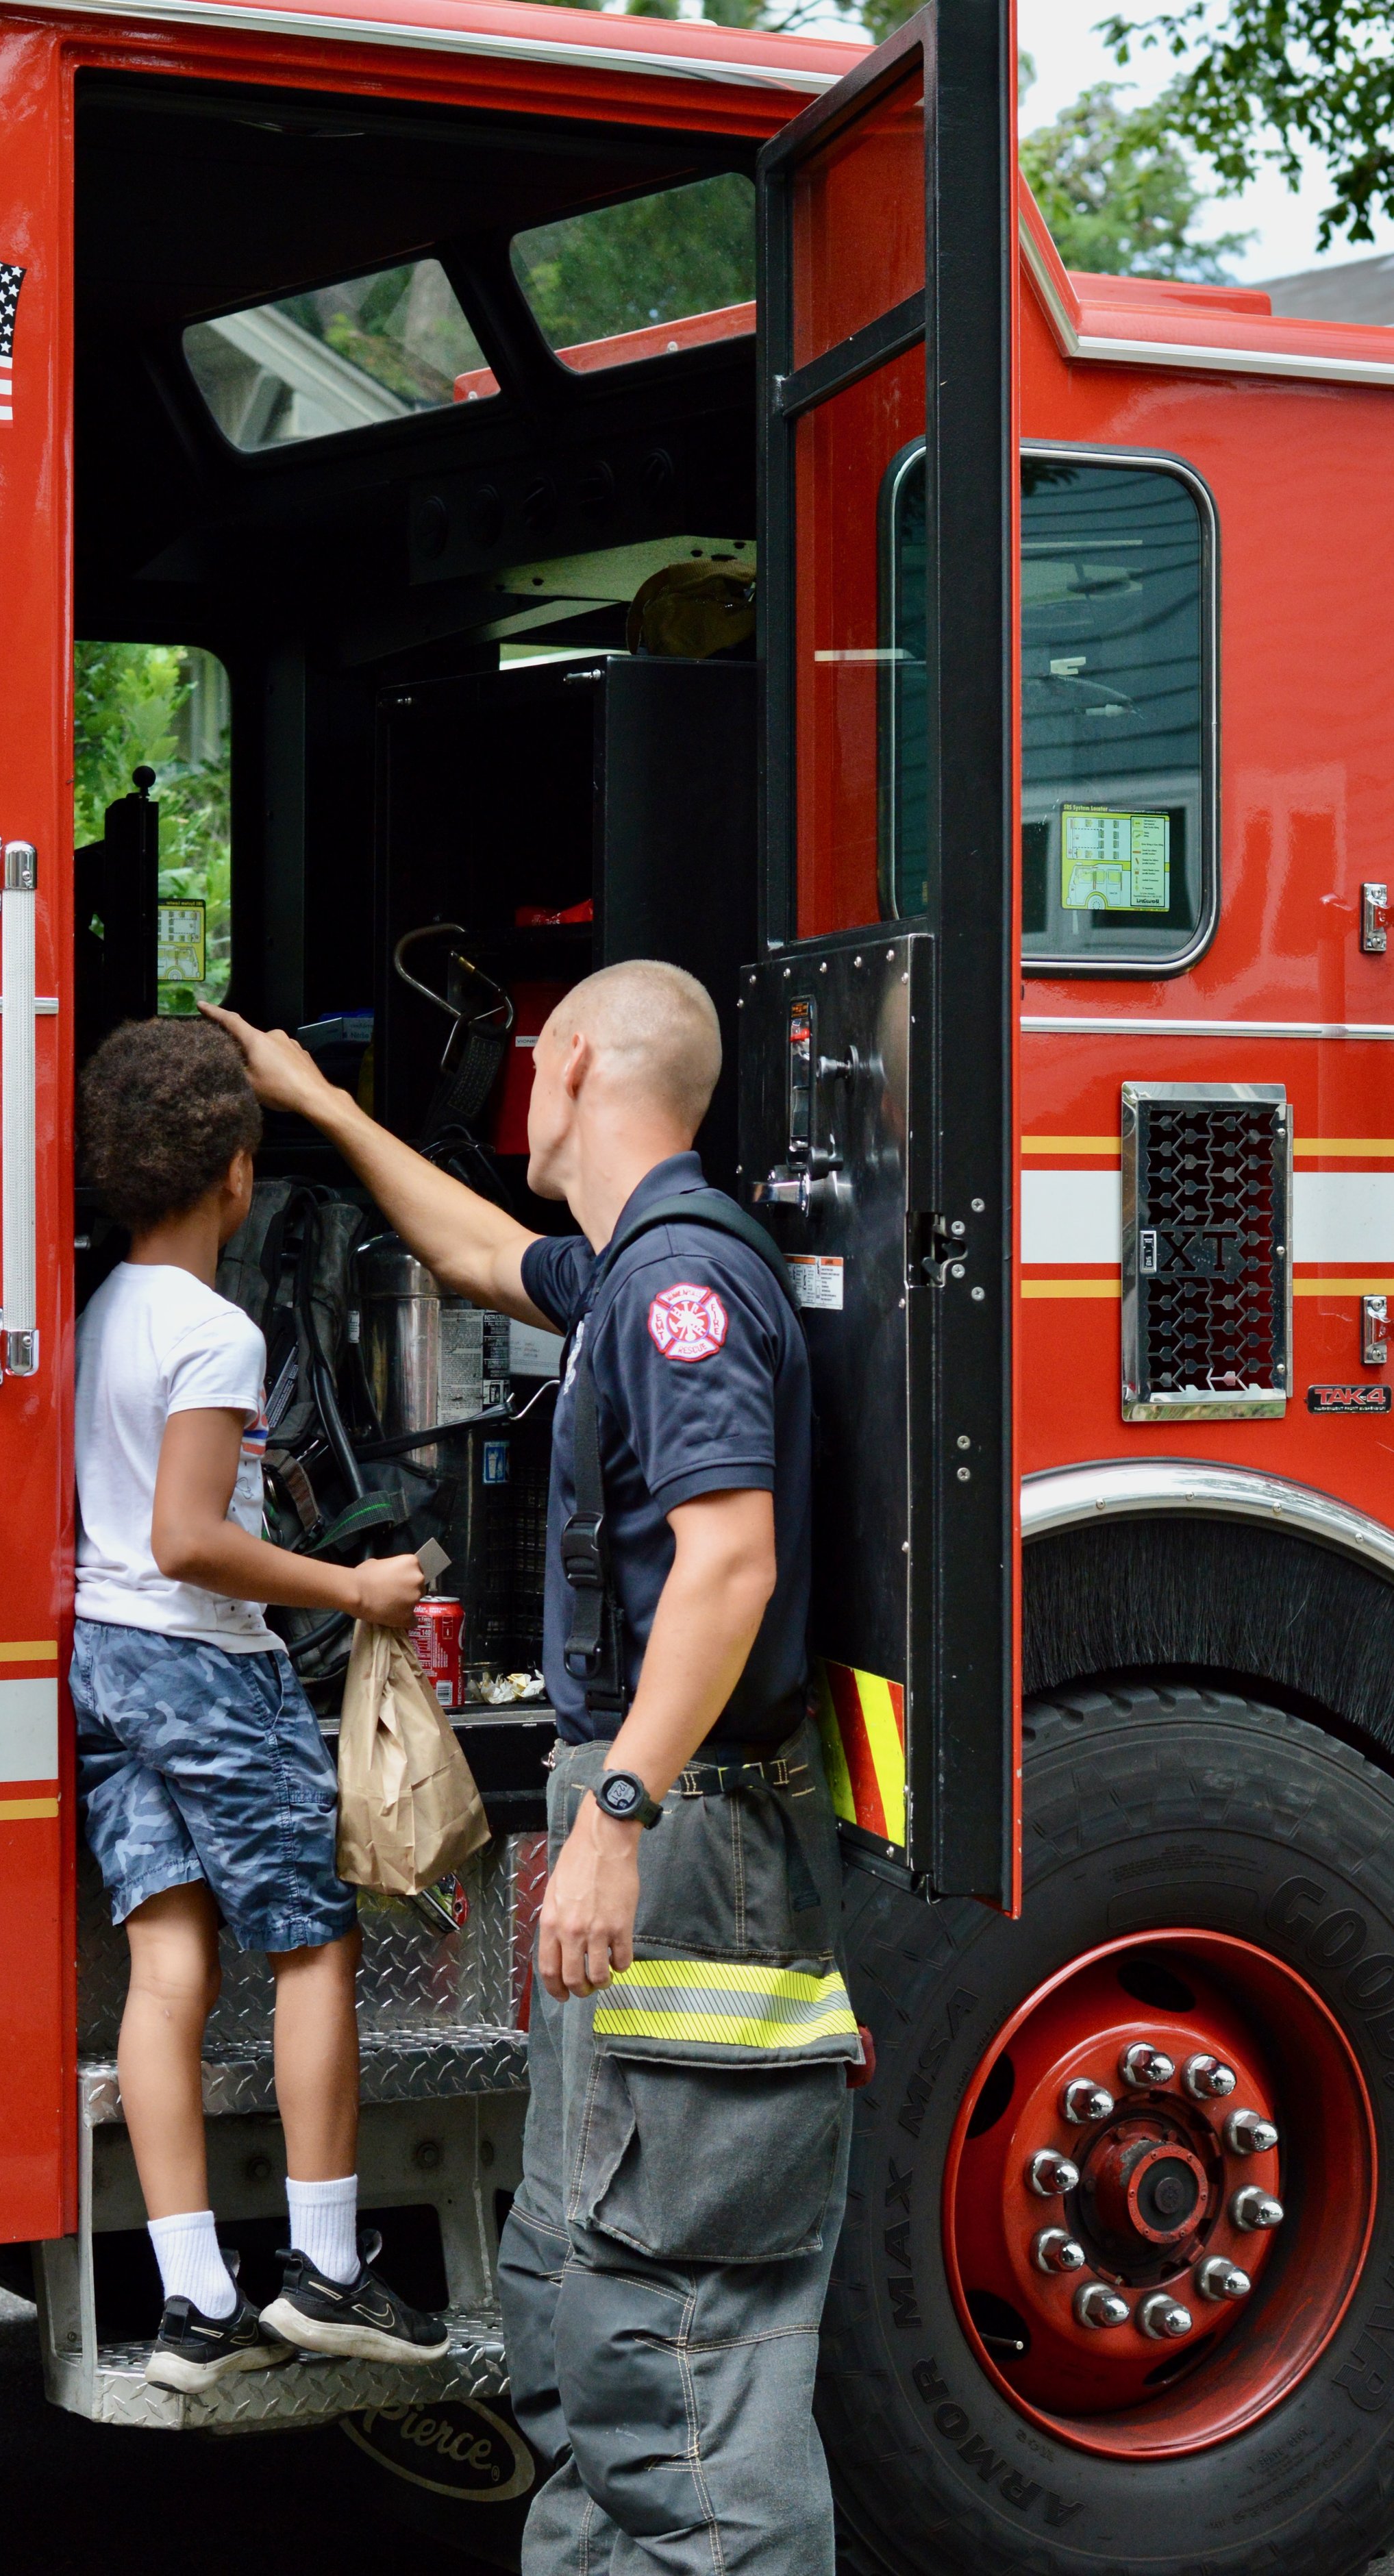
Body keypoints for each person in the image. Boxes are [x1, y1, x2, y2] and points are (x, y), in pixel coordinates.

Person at [204, 963, 860, 2575]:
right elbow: (476, 1249)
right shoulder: (635, 1265)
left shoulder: (682, 1286)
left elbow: (727, 1564)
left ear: (565, 1059)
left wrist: (619, 1810)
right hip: (645, 1823)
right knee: (576, 2317)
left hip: (685, 1839)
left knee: (677, 2357)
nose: (515, 1090)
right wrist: (326, 1107)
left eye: (526, 1058)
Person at [71, 1017, 449, 2391]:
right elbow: (189, 1535)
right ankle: (331, 2271)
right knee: (311, 1948)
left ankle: (193, 2302)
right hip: (202, 1660)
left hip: (105, 1661)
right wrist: (357, 1588)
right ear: (237, 1173)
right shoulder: (213, 1330)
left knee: (169, 1970)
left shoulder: (100, 1311)